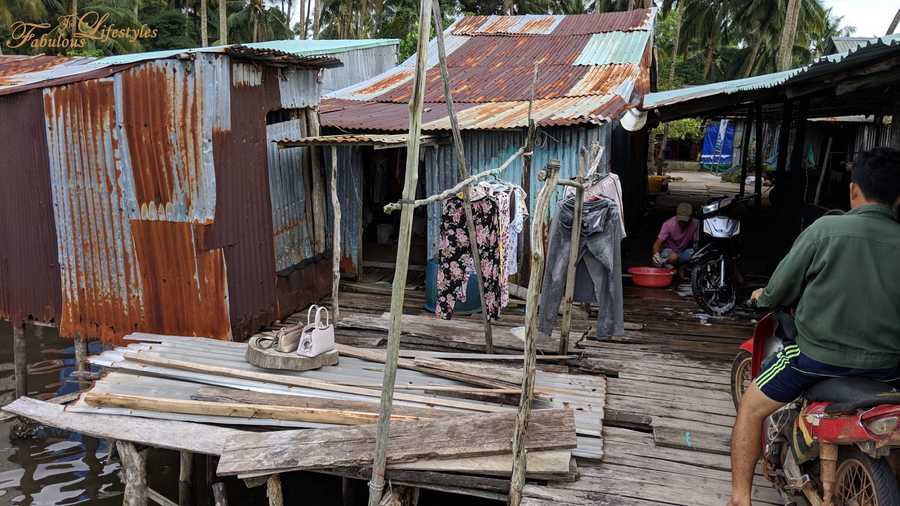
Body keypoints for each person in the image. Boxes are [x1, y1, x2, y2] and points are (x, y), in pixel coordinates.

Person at [729, 147, 900, 506]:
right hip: (888, 367)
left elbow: (780, 288)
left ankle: (740, 498)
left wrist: (764, 298)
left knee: (750, 407)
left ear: (854, 190)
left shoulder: (826, 230)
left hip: (817, 357)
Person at [652, 202, 699, 268]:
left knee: (695, 254)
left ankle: (680, 266)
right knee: (673, 257)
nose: (682, 223)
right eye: (680, 220)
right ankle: (664, 263)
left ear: (691, 217)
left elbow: (696, 243)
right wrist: (656, 255)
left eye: (685, 221)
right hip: (669, 251)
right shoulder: (668, 224)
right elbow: (657, 244)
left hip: (683, 251)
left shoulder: (696, 224)